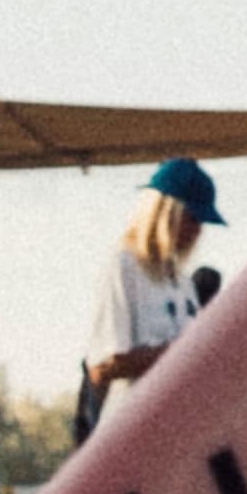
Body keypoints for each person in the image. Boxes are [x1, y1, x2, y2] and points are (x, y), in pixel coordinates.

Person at [78, 160, 218, 430]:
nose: (198, 230)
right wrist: (181, 351)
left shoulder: (181, 280)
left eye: (201, 222)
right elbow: (104, 364)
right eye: (192, 218)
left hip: (179, 427)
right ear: (164, 212)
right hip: (131, 429)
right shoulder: (124, 266)